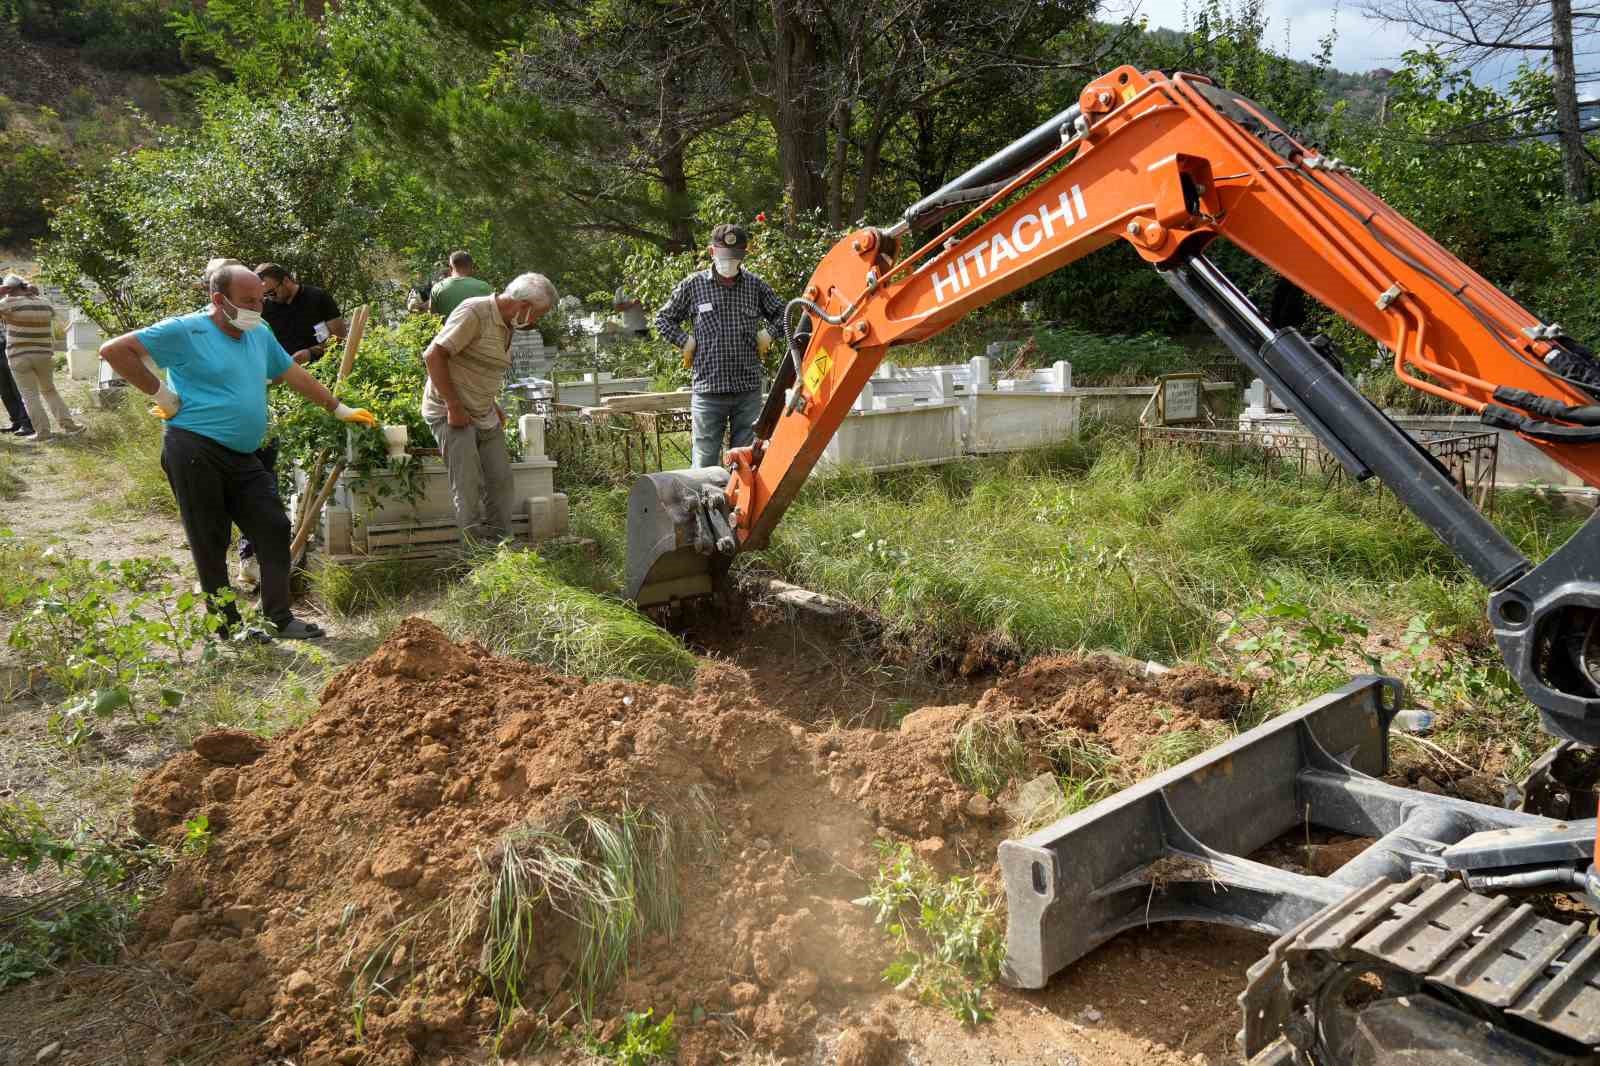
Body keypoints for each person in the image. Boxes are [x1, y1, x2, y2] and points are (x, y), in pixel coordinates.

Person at [98, 265, 378, 641]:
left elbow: (294, 374)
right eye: (247, 301)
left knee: (274, 526)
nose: (257, 308)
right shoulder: (187, 330)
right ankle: (227, 627)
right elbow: (115, 350)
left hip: (243, 453)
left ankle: (277, 618)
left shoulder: (258, 332)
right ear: (218, 300)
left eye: (260, 299)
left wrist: (337, 407)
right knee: (210, 537)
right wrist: (162, 394)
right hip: (194, 447)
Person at [421, 272, 557, 545]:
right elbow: (433, 355)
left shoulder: (508, 324)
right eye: (538, 314)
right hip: (450, 413)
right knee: (468, 487)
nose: (536, 321)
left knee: (501, 481)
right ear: (524, 306)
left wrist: (492, 403)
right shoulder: (475, 311)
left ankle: (500, 547)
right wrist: (454, 406)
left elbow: (477, 366)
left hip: (483, 412)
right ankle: (472, 557)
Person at [655, 223, 785, 469]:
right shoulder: (693, 286)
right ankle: (706, 505)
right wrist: (686, 341)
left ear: (744, 255)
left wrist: (768, 333)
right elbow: (663, 319)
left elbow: (784, 314)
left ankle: (741, 506)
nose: (730, 262)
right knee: (704, 461)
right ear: (712, 252)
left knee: (746, 461)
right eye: (725, 255)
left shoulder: (755, 286)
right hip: (708, 391)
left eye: (736, 257)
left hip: (747, 390)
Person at [0, 274, 82, 442]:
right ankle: (69, 425)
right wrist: (33, 294)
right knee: (50, 390)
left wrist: (2, 293)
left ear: (9, 289)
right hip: (44, 354)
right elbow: (53, 314)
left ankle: (43, 432)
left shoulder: (8, 303)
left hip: (18, 355)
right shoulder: (44, 303)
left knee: (30, 395)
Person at [255, 264, 346, 366]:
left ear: (286, 281)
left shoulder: (317, 297)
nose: (270, 298)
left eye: (272, 293)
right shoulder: (265, 308)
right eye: (265, 295)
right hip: (288, 374)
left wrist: (311, 353)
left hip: (326, 368)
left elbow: (340, 338)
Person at [426, 251, 492, 320]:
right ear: (471, 267)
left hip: (448, 330)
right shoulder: (484, 287)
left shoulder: (438, 288)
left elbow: (433, 318)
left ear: (450, 268)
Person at [0, 327, 32, 436]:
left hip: (11, 349)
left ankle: (27, 424)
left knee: (17, 390)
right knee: (5, 393)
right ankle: (17, 422)